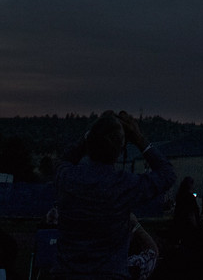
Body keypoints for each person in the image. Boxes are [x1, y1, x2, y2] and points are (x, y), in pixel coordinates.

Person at [55, 111, 177, 278]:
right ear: (120, 150)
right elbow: (167, 174)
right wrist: (140, 139)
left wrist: (90, 135)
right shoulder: (124, 185)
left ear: (89, 144)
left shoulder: (67, 178)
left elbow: (65, 160)